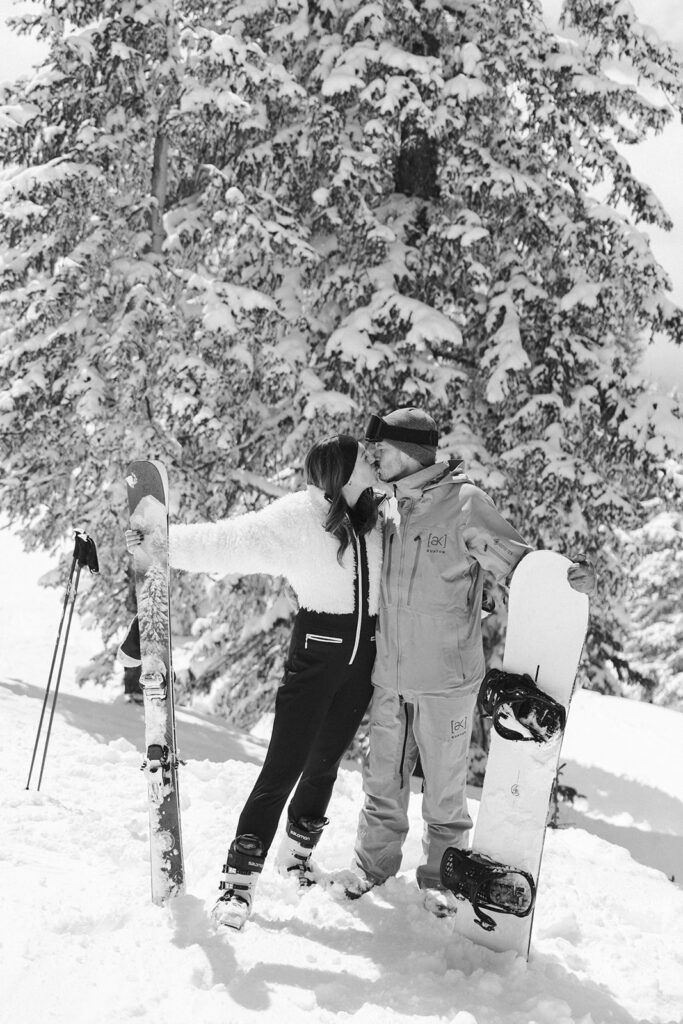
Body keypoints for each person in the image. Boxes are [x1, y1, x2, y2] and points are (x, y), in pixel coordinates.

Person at [343, 408, 596, 914]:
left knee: (444, 794)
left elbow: (515, 562)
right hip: (391, 678)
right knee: (381, 784)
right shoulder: (391, 506)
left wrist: (562, 582)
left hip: (446, 681)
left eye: (383, 449)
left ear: (411, 452)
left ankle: (440, 880)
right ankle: (372, 867)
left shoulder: (463, 505)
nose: (376, 458)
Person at [126, 435, 381, 930]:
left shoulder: (376, 517)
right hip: (317, 655)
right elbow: (230, 539)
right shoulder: (298, 517)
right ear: (344, 471)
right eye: (365, 458)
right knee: (282, 768)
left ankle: (297, 855)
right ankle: (238, 883)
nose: (374, 463)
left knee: (326, 763)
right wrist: (163, 542)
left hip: (361, 665)